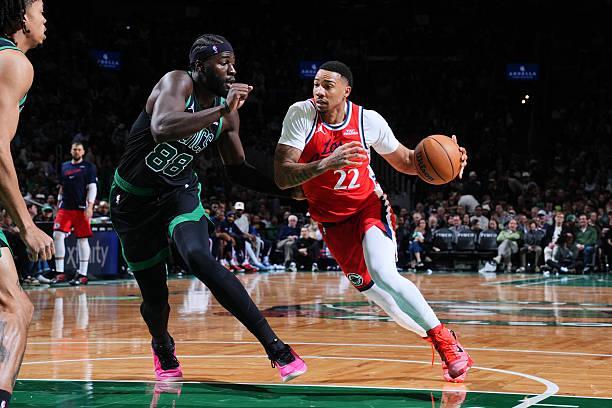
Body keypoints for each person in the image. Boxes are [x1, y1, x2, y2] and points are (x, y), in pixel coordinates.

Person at [109, 34, 306, 382]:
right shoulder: (178, 82)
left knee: (199, 256)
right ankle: (162, 343)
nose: (232, 70)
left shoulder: (227, 116)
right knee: (155, 298)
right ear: (200, 66)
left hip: (179, 193)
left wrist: (288, 191)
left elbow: (237, 169)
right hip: (133, 201)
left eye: (234, 63)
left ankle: (276, 347)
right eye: (223, 62)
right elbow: (161, 128)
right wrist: (221, 110)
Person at [274, 60, 472, 382]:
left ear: (346, 91)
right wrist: (327, 163)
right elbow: (283, 176)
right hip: (331, 223)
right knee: (385, 302)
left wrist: (448, 160)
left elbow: (407, 160)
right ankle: (442, 338)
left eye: (327, 85)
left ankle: (447, 345)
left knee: (384, 272)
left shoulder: (368, 120)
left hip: (368, 207)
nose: (319, 91)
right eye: (316, 84)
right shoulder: (301, 115)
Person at [0, 1, 50, 404]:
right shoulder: (15, 63)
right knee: (14, 306)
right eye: (40, 12)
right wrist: (26, 224)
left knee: (17, 305)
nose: (45, 20)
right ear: (23, 19)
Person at [52, 142, 97, 286]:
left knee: (82, 239)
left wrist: (90, 207)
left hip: (81, 208)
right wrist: (58, 205)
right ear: (71, 151)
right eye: (74, 149)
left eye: (79, 149)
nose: (76, 151)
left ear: (83, 152)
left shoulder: (89, 167)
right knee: (57, 235)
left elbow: (92, 187)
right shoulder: (64, 166)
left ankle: (82, 274)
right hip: (65, 207)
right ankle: (60, 273)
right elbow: (61, 187)